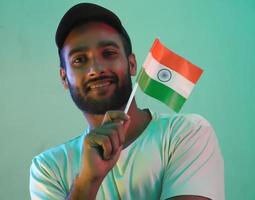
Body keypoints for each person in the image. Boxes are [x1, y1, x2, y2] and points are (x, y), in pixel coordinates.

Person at [29, 3, 224, 200]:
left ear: (131, 64)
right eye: (79, 60)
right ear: (64, 78)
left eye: (108, 53)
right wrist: (88, 181)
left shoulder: (187, 133)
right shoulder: (48, 168)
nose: (96, 69)